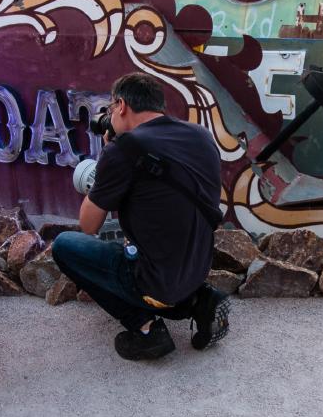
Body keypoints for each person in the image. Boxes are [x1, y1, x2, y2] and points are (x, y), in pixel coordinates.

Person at [52, 72, 229, 361]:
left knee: (66, 246)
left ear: (121, 106)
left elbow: (88, 224)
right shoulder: (201, 136)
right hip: (198, 267)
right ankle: (200, 300)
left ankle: (145, 329)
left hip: (156, 282)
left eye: (110, 109)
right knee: (148, 245)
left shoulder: (122, 150)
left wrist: (109, 155)